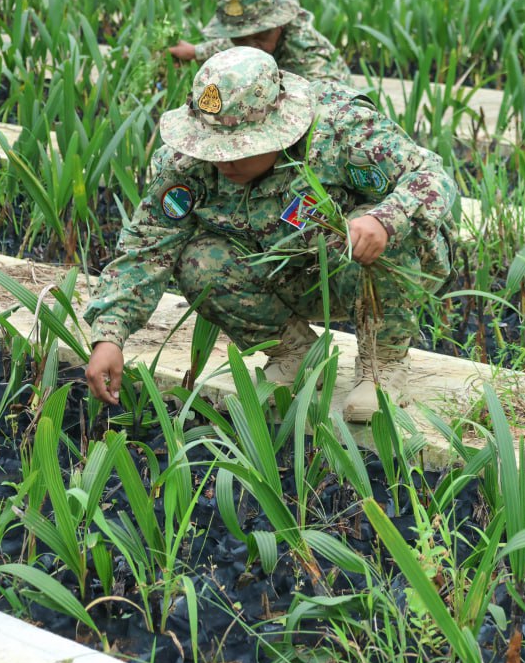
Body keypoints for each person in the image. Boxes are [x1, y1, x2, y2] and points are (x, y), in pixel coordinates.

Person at [84, 47, 457, 421]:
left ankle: (382, 365)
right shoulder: (188, 163)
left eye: (238, 149)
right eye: (214, 147)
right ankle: (295, 353)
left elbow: (431, 175)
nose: (224, 161)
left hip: (367, 266)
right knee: (200, 261)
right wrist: (110, 336)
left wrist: (385, 219)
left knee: (378, 224)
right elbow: (147, 245)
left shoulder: (340, 129)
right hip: (287, 272)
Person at [167, 0, 351, 85]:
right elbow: (227, 44)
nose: (251, 47)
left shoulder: (307, 53)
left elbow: (330, 102)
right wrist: (195, 52)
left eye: (260, 36)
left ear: (279, 24)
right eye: (239, 39)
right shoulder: (258, 41)